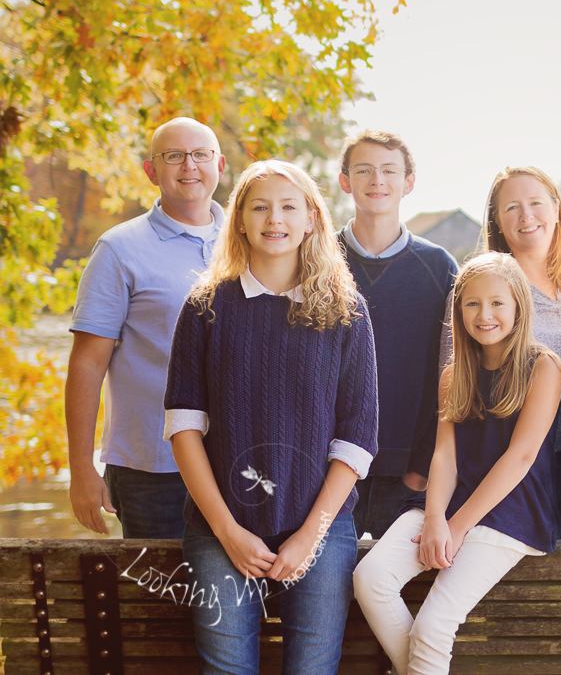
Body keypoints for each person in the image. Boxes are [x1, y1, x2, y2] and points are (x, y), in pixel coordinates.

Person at [163, 161, 378, 674]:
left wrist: (311, 535)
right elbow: (183, 428)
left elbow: (356, 438)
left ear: (311, 220)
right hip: (222, 528)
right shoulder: (206, 307)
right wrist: (228, 531)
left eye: (288, 206)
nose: (273, 218)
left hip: (322, 528)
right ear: (238, 220)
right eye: (259, 206)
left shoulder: (346, 312)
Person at [354, 252, 561, 675]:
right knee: (370, 579)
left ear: (518, 306)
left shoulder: (543, 367)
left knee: (433, 627)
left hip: (511, 510)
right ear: (459, 310)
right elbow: (444, 454)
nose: (484, 314)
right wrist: (434, 519)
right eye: (472, 304)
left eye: (497, 303)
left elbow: (520, 458)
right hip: (448, 501)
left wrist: (456, 527)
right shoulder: (455, 374)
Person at [66, 117, 226, 538]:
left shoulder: (250, 240)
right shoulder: (119, 249)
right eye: (174, 156)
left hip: (237, 462)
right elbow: (87, 364)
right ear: (151, 170)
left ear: (220, 166)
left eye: (200, 155)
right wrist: (81, 468)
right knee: (159, 602)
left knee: (237, 600)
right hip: (151, 469)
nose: (189, 165)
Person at [336, 129, 458, 540]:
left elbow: (454, 372)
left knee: (395, 594)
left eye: (390, 170)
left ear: (408, 182)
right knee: (326, 598)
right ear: (345, 180)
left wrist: (421, 469)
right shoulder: (317, 261)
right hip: (330, 472)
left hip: (409, 477)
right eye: (364, 170)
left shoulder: (438, 267)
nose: (377, 181)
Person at [483, 166, 561, 538]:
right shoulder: (489, 290)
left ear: (556, 210)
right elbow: (455, 381)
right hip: (521, 466)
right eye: (512, 207)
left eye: (536, 203)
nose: (526, 216)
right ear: (498, 223)